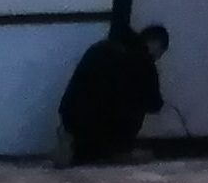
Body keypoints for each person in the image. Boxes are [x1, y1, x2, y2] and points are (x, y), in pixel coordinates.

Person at [56, 22, 170, 163]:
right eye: (160, 52)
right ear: (155, 44)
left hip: (72, 116)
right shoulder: (143, 61)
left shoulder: (102, 47)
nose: (158, 58)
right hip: (105, 127)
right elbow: (153, 103)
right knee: (133, 104)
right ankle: (118, 151)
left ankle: (74, 145)